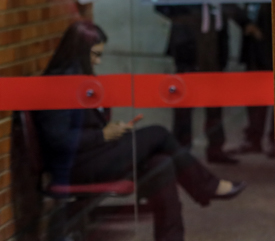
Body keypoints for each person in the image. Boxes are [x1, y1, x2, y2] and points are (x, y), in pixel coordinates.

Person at [34, 21, 245, 241]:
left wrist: (111, 131)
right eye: (94, 55)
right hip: (76, 166)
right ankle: (207, 186)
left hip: (92, 156)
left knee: (161, 163)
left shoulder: (79, 78)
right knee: (159, 133)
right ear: (78, 52)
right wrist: (102, 135)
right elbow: (57, 140)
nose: (98, 61)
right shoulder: (59, 85)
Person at [156, 0, 251, 163]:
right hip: (189, 41)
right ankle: (181, 150)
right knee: (185, 97)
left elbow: (231, 5)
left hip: (215, 41)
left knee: (215, 98)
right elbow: (162, 2)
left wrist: (247, 24)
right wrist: (184, 18)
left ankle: (216, 148)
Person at [239, 0, 274, 156]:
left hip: (272, 44)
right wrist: (247, 24)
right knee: (253, 95)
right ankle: (253, 138)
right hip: (252, 46)